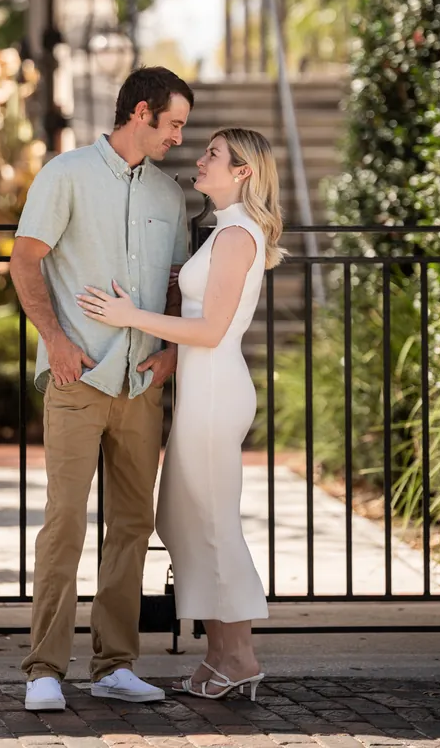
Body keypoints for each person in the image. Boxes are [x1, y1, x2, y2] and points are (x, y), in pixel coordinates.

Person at [78, 127, 284, 702]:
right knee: (185, 522)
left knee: (213, 527)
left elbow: (212, 330)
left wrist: (131, 316)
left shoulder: (238, 234)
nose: (201, 159)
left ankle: (238, 657)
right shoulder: (225, 232)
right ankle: (220, 653)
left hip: (217, 392)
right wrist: (180, 285)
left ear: (242, 171)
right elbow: (205, 305)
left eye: (213, 154)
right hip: (203, 390)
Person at [10, 66, 192, 713]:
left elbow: (175, 284)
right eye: (172, 123)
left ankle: (115, 663)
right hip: (78, 377)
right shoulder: (65, 175)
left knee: (133, 524)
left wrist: (170, 351)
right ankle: (44, 670)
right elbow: (24, 258)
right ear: (139, 112)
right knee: (64, 522)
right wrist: (55, 340)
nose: (178, 137)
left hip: (142, 383)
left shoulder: (170, 197)